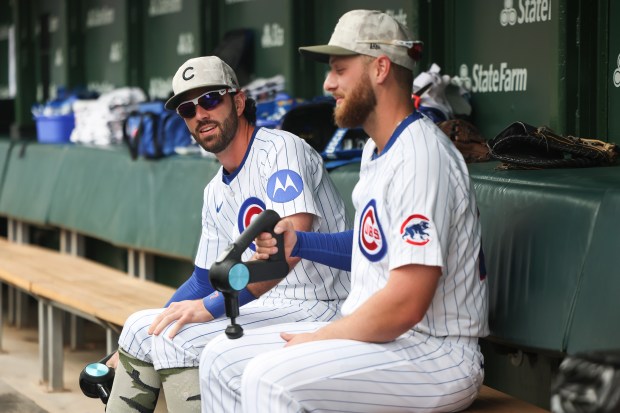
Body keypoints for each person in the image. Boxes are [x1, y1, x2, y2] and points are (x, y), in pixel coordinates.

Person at [199, 9, 489, 413]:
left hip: (434, 352)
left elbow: (407, 303)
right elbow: (374, 247)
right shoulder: (377, 148)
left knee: (269, 378)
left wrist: (323, 338)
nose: (328, 83)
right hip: (386, 337)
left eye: (339, 69)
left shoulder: (421, 156)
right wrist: (300, 241)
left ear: (381, 68)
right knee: (221, 360)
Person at [105, 56, 350, 412]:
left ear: (237, 101)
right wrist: (131, 344)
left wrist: (211, 307)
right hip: (266, 305)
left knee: (178, 340)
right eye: (188, 109)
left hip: (320, 305)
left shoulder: (280, 150)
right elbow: (203, 281)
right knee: (141, 328)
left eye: (209, 100)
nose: (200, 114)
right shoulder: (215, 191)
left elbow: (286, 252)